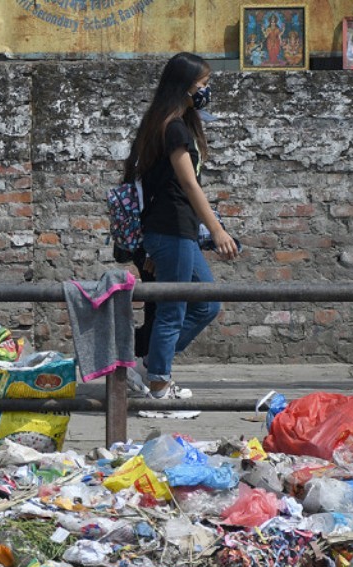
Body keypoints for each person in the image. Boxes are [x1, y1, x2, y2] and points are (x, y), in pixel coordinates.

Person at [122, 53, 239, 400]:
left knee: (207, 305)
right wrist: (217, 230)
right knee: (173, 310)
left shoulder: (174, 123)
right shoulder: (171, 128)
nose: (205, 91)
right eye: (201, 85)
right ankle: (159, 384)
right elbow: (189, 185)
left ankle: (150, 365)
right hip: (172, 230)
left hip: (177, 233)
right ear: (183, 87)